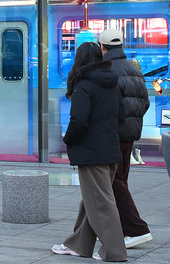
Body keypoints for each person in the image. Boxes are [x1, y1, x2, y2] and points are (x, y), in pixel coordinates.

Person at [53, 41, 127, 262]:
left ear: (79, 60)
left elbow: (78, 121)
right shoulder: (112, 83)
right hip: (110, 150)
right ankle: (79, 245)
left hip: (92, 153)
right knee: (92, 200)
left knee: (101, 202)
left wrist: (67, 140)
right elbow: (121, 116)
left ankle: (114, 251)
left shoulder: (83, 86)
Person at [99, 28, 153, 249]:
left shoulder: (107, 70)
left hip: (113, 133)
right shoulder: (134, 69)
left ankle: (137, 229)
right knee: (121, 180)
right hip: (131, 134)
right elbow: (145, 102)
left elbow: (108, 105)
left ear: (102, 47)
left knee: (115, 181)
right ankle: (122, 228)